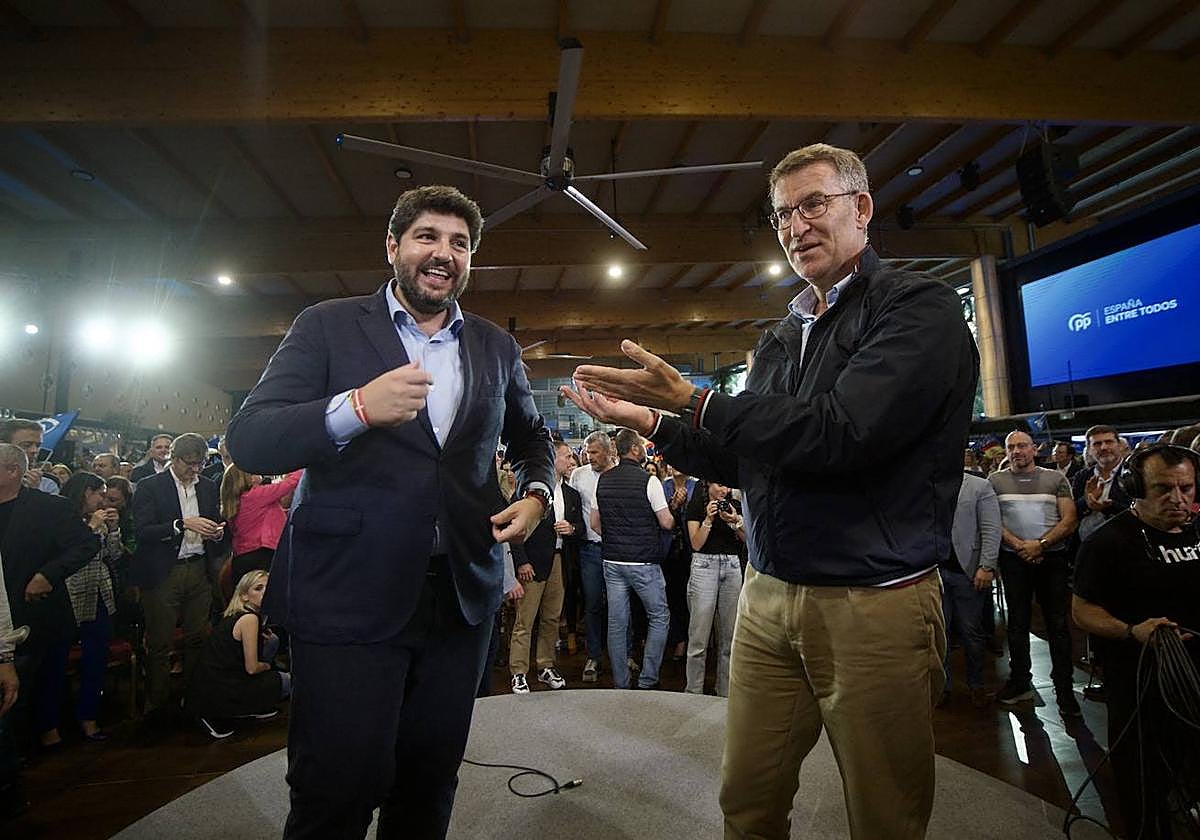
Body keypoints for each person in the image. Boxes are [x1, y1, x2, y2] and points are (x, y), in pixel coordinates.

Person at [563, 143, 977, 839]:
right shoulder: (785, 335)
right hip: (770, 594)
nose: (796, 226)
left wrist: (695, 400)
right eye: (783, 214)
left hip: (873, 601)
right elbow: (740, 449)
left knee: (884, 814)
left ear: (862, 207)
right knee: (747, 801)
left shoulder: (917, 309)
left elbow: (841, 431)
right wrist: (652, 420)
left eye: (814, 203)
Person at [226, 184, 553, 840]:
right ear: (393, 247)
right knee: (335, 787)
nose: (443, 253)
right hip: (349, 590)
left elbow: (532, 439)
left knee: (429, 783)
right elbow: (251, 436)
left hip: (460, 599)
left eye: (460, 243)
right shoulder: (326, 325)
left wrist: (539, 495)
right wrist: (356, 408)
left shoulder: (495, 346)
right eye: (427, 237)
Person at [1072, 444, 1200, 838]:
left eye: (1186, 488)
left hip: (1196, 684)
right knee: (1144, 785)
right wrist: (1131, 631)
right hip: (1141, 685)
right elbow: (1082, 611)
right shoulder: (1108, 543)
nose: (1177, 499)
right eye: (1163, 488)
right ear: (1135, 488)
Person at [0, 443, 96, 813]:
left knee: (16, 697)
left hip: (32, 616)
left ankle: (12, 775)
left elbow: (84, 544)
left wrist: (47, 574)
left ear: (11, 472)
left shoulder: (48, 507)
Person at [131, 433, 227, 724]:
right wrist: (180, 525)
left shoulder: (209, 487)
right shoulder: (150, 486)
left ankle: (193, 697)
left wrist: (218, 532)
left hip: (199, 568)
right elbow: (142, 531)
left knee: (198, 636)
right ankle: (157, 704)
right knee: (160, 642)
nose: (195, 470)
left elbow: (216, 522)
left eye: (200, 464)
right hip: (164, 571)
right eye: (190, 464)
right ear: (174, 458)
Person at [990, 430, 1080, 716]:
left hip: (1051, 559)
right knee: (1016, 624)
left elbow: (1069, 519)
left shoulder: (1056, 479)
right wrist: (1021, 546)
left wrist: (1040, 545)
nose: (1017, 451)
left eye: (1022, 446)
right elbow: (993, 521)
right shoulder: (995, 481)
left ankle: (1065, 690)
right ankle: (1020, 682)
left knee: (1057, 625)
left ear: (1034, 449)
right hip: (1014, 560)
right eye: (1011, 446)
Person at [37, 472, 121, 745]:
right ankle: (50, 726)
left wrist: (114, 530)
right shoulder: (61, 517)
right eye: (100, 494)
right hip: (67, 595)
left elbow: (113, 555)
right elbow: (63, 555)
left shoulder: (103, 520)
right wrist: (91, 528)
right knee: (55, 662)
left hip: (98, 594)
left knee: (96, 659)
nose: (103, 500)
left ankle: (89, 717)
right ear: (86, 492)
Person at [592, 429, 674, 690]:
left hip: (612, 561)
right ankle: (648, 679)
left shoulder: (603, 480)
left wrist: (617, 536)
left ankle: (621, 684)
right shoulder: (649, 481)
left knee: (617, 624)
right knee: (659, 617)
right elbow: (666, 521)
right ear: (636, 450)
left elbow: (595, 524)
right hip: (644, 563)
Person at [508, 441, 584, 694]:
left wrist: (571, 529)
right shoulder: (527, 491)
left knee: (552, 617)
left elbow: (582, 527)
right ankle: (518, 671)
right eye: (566, 456)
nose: (571, 460)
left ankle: (545, 665)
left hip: (560, 561)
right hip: (532, 562)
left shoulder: (572, 494)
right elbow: (513, 528)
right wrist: (521, 562)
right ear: (552, 459)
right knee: (525, 620)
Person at [187, 570, 290, 739]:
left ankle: (254, 703)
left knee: (273, 641)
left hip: (223, 678)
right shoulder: (249, 619)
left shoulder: (242, 615)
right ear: (244, 596)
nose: (265, 592)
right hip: (221, 688)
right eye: (258, 588)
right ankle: (224, 711)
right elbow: (252, 668)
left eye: (267, 587)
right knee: (288, 680)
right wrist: (268, 667)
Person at [941, 470, 1001, 708]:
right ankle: (943, 688)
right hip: (935, 571)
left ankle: (976, 686)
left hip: (969, 571)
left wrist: (987, 566)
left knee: (971, 633)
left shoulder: (980, 486)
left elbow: (991, 528)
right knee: (939, 634)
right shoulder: (928, 481)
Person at [684, 480, 744, 696]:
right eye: (720, 485)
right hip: (704, 566)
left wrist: (735, 521)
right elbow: (696, 544)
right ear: (707, 485)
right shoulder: (696, 504)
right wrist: (708, 519)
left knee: (730, 638)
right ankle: (693, 692)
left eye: (727, 486)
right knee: (699, 636)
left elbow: (749, 541)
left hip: (732, 566)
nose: (724, 490)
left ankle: (725, 693)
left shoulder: (734, 505)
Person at [568, 431, 616, 682]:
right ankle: (594, 656)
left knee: (620, 605)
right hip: (589, 550)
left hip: (618, 550)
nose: (588, 456)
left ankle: (624, 654)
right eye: (587, 452)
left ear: (609, 452)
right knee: (593, 604)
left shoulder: (619, 474)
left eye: (594, 452)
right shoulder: (578, 475)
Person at [220, 465, 302, 583]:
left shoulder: (235, 501)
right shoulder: (256, 495)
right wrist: (299, 463)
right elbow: (291, 482)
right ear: (249, 478)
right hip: (261, 557)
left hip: (241, 558)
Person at [0, 419, 59, 495]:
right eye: (26, 445)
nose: (35, 450)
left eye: (38, 446)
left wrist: (33, 492)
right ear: (3, 445)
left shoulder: (47, 485)